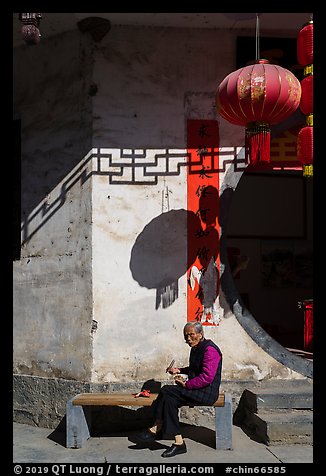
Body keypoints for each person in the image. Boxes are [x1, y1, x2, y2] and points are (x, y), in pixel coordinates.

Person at [136, 321, 222, 458]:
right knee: (169, 400)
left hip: (207, 392)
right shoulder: (196, 348)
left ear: (201, 334)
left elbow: (206, 377)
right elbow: (195, 369)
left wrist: (187, 385)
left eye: (191, 335)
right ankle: (178, 443)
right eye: (186, 336)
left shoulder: (210, 350)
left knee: (166, 390)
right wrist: (179, 370)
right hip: (198, 389)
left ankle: (156, 426)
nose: (188, 339)